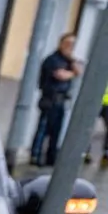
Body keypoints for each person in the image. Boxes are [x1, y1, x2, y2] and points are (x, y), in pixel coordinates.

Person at [32, 33, 84, 167]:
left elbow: (79, 71)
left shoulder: (68, 61)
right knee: (43, 129)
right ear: (61, 43)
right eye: (67, 44)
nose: (70, 47)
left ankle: (51, 158)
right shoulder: (53, 59)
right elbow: (60, 75)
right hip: (50, 99)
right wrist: (72, 73)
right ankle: (35, 156)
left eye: (72, 44)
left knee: (56, 131)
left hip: (61, 100)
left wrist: (72, 60)